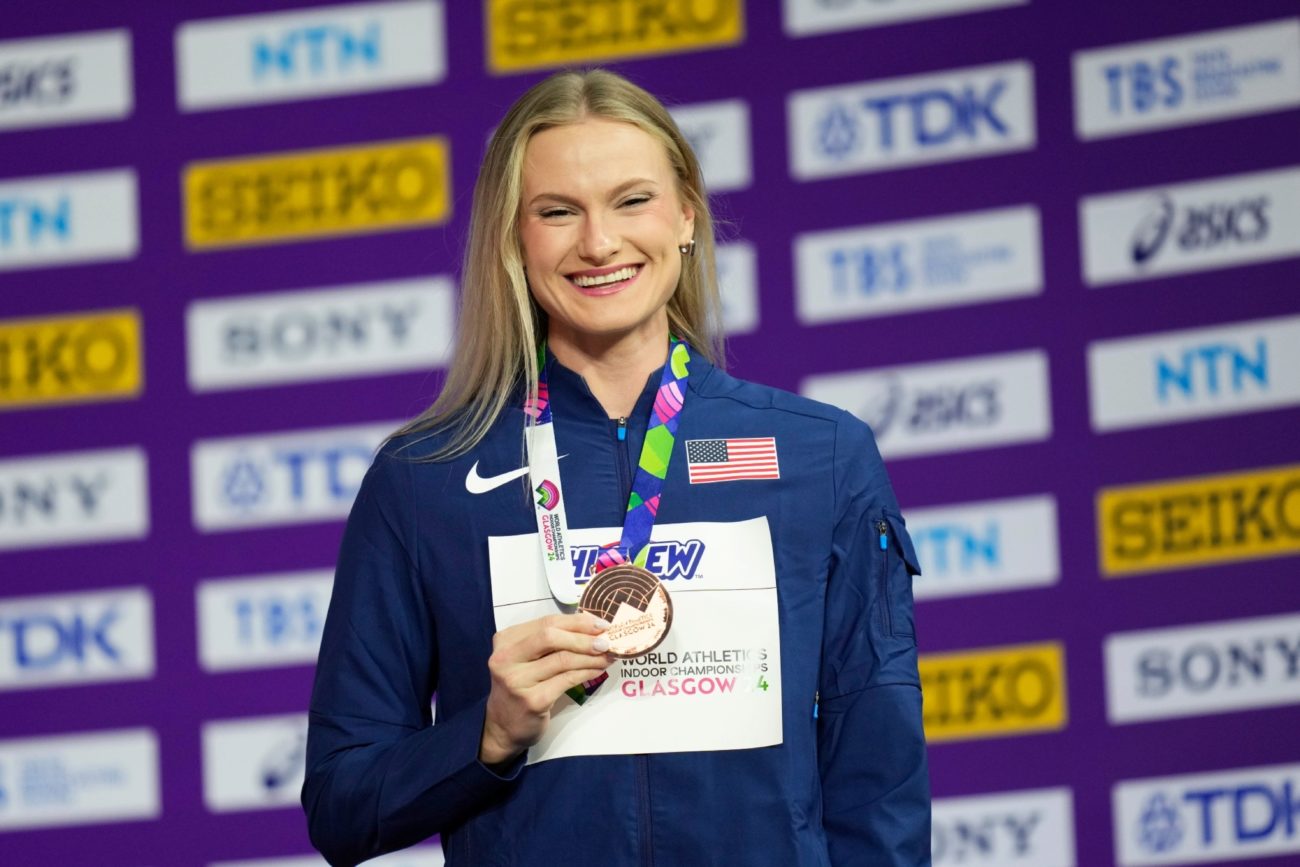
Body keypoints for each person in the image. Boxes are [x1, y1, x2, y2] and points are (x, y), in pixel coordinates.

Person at [302, 69, 930, 866]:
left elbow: (879, 783)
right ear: (514, 239)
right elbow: (342, 803)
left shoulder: (823, 455)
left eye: (632, 201)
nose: (599, 243)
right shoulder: (424, 478)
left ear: (687, 219)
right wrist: (488, 734)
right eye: (558, 212)